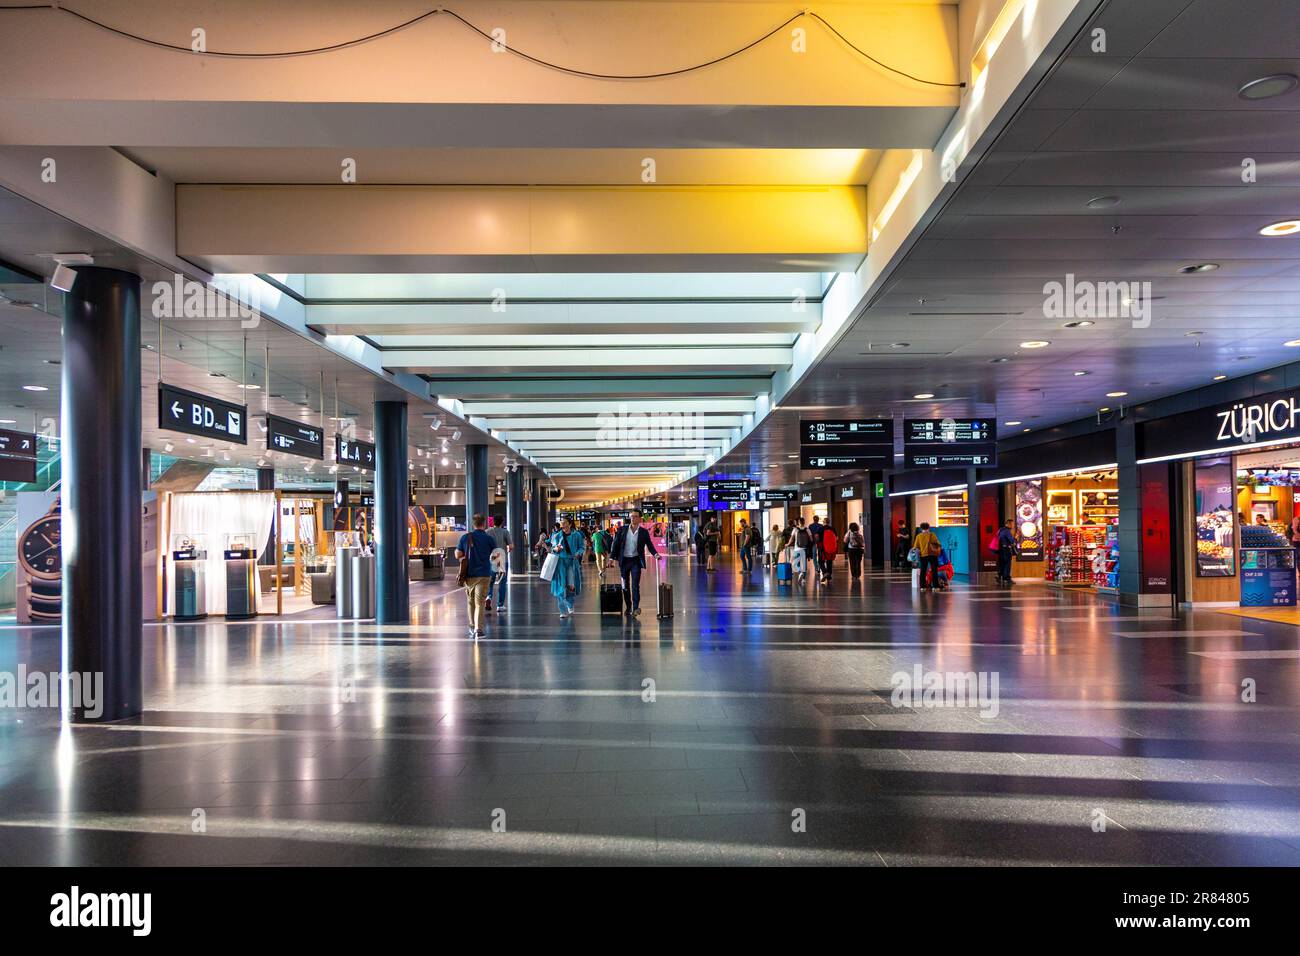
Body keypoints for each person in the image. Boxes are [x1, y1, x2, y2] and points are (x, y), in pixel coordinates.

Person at [612, 509, 661, 617]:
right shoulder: (622, 530)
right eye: (631, 516)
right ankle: (628, 606)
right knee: (625, 586)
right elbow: (615, 544)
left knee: (635, 585)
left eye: (635, 516)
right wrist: (611, 558)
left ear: (639, 518)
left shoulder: (643, 532)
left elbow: (649, 544)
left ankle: (635, 608)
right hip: (624, 561)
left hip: (635, 561)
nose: (632, 518)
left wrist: (655, 554)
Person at [456, 513, 496, 638]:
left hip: (469, 575)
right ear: (484, 524)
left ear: (473, 524)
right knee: (480, 602)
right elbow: (495, 555)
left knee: (471, 602)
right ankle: (478, 630)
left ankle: (472, 626)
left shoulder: (465, 538)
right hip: (484, 574)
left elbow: (458, 555)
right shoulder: (489, 539)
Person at [549, 517, 586, 619]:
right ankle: (562, 610)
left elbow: (582, 547)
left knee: (570, 586)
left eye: (565, 523)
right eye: (562, 523)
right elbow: (553, 549)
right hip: (560, 562)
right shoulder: (557, 536)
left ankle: (570, 605)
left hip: (572, 562)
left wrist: (578, 553)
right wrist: (556, 549)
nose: (563, 525)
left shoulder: (577, 535)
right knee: (560, 587)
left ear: (570, 524)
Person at [485, 518, 513, 612]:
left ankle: (488, 597)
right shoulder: (505, 532)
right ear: (502, 522)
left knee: (490, 581)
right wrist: (508, 550)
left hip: (492, 559)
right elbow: (511, 546)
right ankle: (500, 605)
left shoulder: (488, 531)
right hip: (502, 560)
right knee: (502, 582)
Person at [912, 522, 942, 592]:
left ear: (921, 528)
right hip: (932, 555)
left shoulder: (919, 536)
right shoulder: (932, 534)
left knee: (923, 571)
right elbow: (938, 544)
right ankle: (935, 587)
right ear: (928, 527)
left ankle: (923, 587)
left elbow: (916, 547)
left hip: (923, 555)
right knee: (934, 570)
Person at [996, 519, 1017, 587]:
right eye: (1012, 524)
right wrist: (1016, 538)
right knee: (1008, 564)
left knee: (1002, 563)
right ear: (1008, 524)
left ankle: (1000, 576)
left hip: (1001, 549)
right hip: (1006, 549)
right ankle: (1007, 578)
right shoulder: (1007, 531)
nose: (1013, 525)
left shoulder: (1001, 530)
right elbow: (1012, 541)